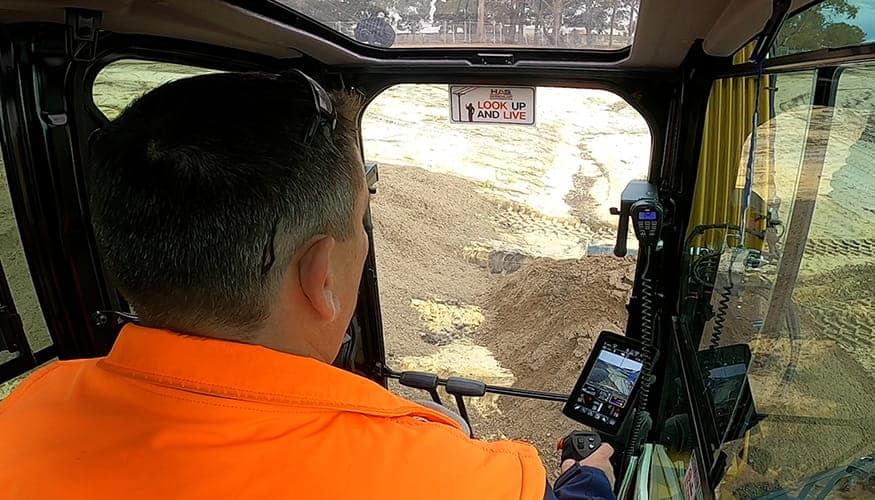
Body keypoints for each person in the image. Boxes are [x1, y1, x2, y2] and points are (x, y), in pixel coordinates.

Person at [0, 72, 615, 499]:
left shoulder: (25, 409)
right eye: (361, 226)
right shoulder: (448, 476)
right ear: (320, 276)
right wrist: (591, 477)